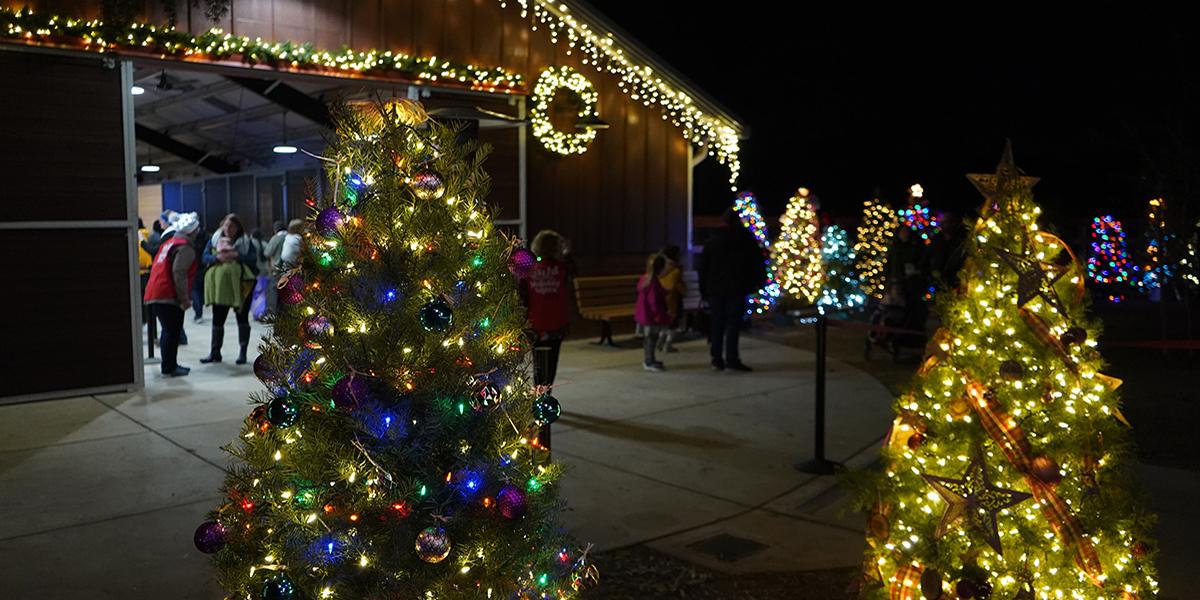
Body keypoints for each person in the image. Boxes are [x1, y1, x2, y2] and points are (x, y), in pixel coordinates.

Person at [697, 209, 763, 371]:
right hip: (737, 288)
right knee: (733, 325)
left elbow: (703, 267)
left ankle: (716, 359)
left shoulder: (712, 240)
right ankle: (732, 359)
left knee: (717, 324)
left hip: (715, 289)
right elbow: (757, 263)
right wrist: (757, 283)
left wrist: (703, 291)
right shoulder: (745, 239)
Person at [143, 212, 200, 377]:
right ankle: (169, 367)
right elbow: (179, 273)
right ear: (192, 231)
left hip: (156, 290)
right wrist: (184, 299)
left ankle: (169, 364)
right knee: (171, 331)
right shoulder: (185, 247)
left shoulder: (170, 242)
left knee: (168, 331)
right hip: (168, 293)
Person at [201, 213, 259, 365]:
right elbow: (204, 257)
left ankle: (242, 353)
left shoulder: (246, 242)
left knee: (242, 318)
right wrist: (217, 259)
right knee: (218, 319)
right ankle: (215, 353)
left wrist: (237, 256)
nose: (228, 228)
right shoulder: (214, 240)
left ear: (238, 228)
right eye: (226, 225)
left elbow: (253, 260)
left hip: (242, 285)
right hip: (220, 287)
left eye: (232, 226)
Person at [521, 230, 571, 386]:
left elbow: (524, 297)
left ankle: (540, 397)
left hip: (536, 324)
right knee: (552, 362)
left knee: (539, 364)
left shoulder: (529, 269)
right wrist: (566, 253)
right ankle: (546, 395)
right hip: (557, 324)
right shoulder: (563, 268)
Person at [636, 253, 670, 372]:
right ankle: (649, 361)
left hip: (645, 314)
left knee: (649, 338)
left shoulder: (645, 279)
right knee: (651, 338)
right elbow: (654, 301)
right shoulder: (653, 282)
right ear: (660, 269)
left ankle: (650, 359)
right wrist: (658, 315)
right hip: (651, 316)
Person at [657, 244, 687, 353]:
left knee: (664, 322)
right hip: (674, 298)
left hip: (661, 297)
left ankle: (660, 339)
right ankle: (668, 344)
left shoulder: (660, 267)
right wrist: (685, 291)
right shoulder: (675, 269)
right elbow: (679, 285)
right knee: (673, 323)